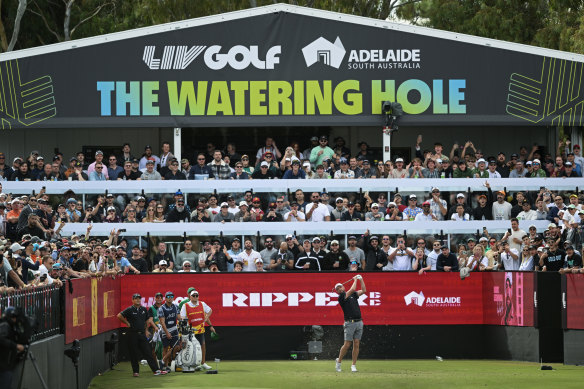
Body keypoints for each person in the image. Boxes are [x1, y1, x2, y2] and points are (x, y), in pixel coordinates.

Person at [117, 293, 166, 376]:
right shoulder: (129, 309)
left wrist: (146, 330)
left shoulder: (143, 309)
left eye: (139, 298)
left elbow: (147, 320)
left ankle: (156, 370)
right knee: (133, 353)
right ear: (132, 300)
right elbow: (119, 315)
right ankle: (136, 372)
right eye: (136, 298)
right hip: (132, 334)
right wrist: (126, 323)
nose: (138, 300)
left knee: (148, 352)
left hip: (142, 334)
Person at [334, 274, 366, 373]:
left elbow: (364, 290)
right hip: (349, 323)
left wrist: (361, 280)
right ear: (337, 291)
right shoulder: (342, 297)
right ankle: (339, 362)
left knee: (356, 343)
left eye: (340, 286)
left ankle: (353, 365)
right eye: (337, 288)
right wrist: (355, 279)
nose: (340, 288)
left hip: (359, 322)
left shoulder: (352, 295)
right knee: (347, 344)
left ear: (343, 286)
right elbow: (352, 289)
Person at [179, 289, 216, 370]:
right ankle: (193, 363)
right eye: (194, 296)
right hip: (190, 330)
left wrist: (206, 317)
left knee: (203, 345)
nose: (195, 297)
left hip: (200, 329)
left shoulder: (202, 304)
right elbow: (182, 317)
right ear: (190, 297)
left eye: (197, 295)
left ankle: (203, 363)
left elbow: (210, 310)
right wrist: (186, 326)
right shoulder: (185, 305)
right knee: (191, 347)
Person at [158, 291, 180, 371]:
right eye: (168, 297)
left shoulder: (176, 306)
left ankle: (163, 361)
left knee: (176, 347)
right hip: (165, 330)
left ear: (173, 298)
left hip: (174, 329)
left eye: (171, 297)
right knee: (165, 348)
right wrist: (167, 332)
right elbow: (162, 322)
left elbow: (179, 317)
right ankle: (165, 366)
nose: (170, 298)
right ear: (165, 298)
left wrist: (184, 320)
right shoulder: (161, 308)